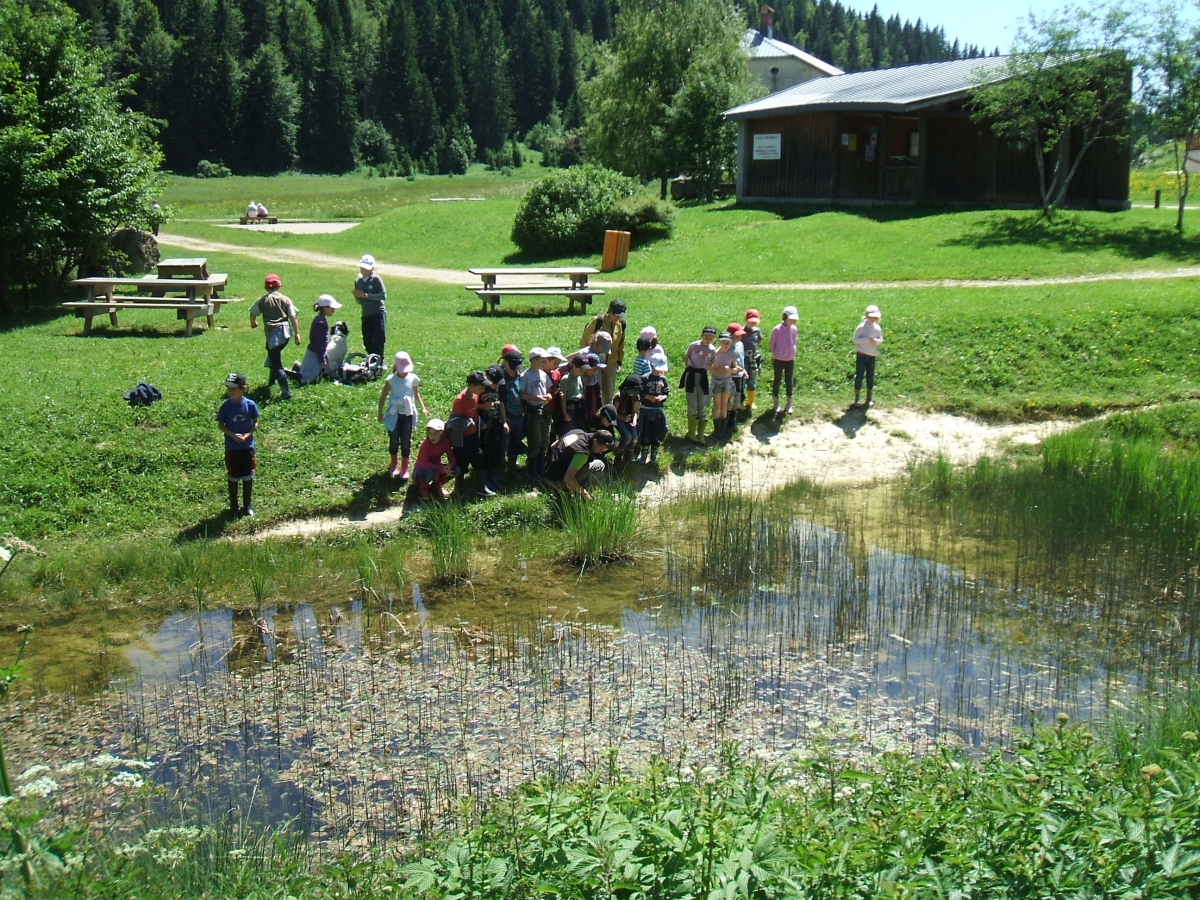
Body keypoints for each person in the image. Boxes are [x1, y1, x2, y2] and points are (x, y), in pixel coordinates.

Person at [248, 273, 300, 400]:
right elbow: (293, 316)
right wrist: (297, 333)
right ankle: (271, 382)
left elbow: (252, 312)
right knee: (272, 355)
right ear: (279, 286)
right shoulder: (286, 299)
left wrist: (253, 323)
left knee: (276, 362)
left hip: (273, 334)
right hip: (286, 334)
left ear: (266, 288)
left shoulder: (264, 300)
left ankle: (285, 391)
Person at [378, 351, 428, 479]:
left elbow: (416, 394)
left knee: (406, 441)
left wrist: (423, 408)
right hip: (394, 414)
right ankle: (394, 463)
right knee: (394, 441)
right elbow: (383, 396)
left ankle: (404, 467)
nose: (405, 372)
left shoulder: (413, 378)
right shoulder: (391, 380)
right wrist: (380, 412)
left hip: (407, 414)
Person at [216, 373, 259, 517]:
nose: (230, 392)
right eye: (228, 389)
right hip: (232, 448)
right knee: (233, 475)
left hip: (247, 447)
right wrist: (232, 435)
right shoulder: (226, 406)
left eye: (232, 389)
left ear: (242, 388)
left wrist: (249, 434)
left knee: (248, 475)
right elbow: (221, 425)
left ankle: (247, 505)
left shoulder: (250, 404)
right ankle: (234, 506)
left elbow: (256, 422)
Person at [543, 429, 616, 500]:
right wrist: (584, 493)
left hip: (546, 474)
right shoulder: (582, 453)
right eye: (600, 449)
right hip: (555, 482)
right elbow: (568, 479)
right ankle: (580, 497)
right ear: (595, 441)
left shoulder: (576, 432)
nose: (600, 453)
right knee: (599, 465)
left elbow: (552, 446)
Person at [448, 370, 487, 496]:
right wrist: (468, 423)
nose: (483, 388)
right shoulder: (460, 400)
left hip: (474, 436)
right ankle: (458, 489)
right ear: (471, 386)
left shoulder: (475, 396)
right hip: (462, 439)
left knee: (479, 459)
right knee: (462, 463)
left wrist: (479, 422)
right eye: (481, 386)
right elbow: (453, 422)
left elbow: (474, 413)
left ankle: (482, 487)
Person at [581, 299, 627, 403]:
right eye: (617, 315)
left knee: (608, 396)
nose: (619, 318)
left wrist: (619, 362)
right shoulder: (597, 321)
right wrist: (586, 363)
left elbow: (621, 345)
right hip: (595, 366)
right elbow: (584, 342)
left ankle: (606, 416)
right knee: (596, 395)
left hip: (611, 366)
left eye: (621, 316)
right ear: (610, 312)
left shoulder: (621, 325)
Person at [682, 325, 717, 442]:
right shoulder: (694, 345)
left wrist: (708, 368)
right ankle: (691, 433)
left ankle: (700, 434)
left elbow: (712, 363)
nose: (708, 339)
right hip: (691, 374)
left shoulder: (712, 350)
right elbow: (686, 357)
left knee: (701, 402)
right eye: (706, 337)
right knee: (692, 402)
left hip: (702, 376)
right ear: (702, 336)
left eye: (711, 338)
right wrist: (689, 368)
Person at [296, 294, 341, 385]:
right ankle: (293, 372)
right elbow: (318, 344)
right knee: (307, 378)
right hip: (314, 354)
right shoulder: (320, 323)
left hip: (316, 352)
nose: (334, 310)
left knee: (310, 375)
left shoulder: (320, 320)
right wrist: (322, 359)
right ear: (325, 308)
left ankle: (296, 370)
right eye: (332, 308)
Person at [497, 347, 526, 477]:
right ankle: (499, 471)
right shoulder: (501, 377)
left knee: (514, 443)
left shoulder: (519, 375)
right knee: (503, 445)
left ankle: (512, 468)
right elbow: (500, 400)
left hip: (518, 415)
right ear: (506, 362)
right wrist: (504, 419)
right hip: (507, 417)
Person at [352, 254, 388, 358]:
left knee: (379, 338)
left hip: (378, 312)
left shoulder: (375, 279)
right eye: (362, 268)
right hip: (366, 314)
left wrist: (367, 296)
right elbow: (359, 301)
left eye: (366, 268)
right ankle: (372, 358)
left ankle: (379, 361)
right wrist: (357, 296)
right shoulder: (358, 281)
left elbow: (383, 295)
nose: (363, 270)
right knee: (367, 340)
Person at [708, 331, 742, 439]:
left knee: (724, 405)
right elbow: (708, 366)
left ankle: (722, 429)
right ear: (719, 343)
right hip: (717, 380)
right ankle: (716, 429)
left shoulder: (731, 354)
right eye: (724, 342)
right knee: (717, 405)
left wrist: (730, 369)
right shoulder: (715, 353)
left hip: (727, 381)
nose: (726, 345)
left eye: (728, 343)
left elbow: (736, 369)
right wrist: (716, 368)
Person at [413, 419, 456, 500]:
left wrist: (450, 466)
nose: (432, 436)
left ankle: (436, 486)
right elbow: (424, 463)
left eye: (435, 433)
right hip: (421, 469)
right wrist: (440, 468)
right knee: (427, 473)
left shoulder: (445, 442)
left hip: (436, 466)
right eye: (430, 433)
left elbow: (451, 457)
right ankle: (423, 488)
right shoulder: (425, 445)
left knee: (456, 469)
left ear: (441, 433)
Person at [770, 305, 799, 415]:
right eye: (790, 318)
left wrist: (793, 352)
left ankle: (789, 403)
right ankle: (776, 403)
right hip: (779, 359)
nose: (792, 320)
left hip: (790, 359)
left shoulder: (794, 329)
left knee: (789, 380)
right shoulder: (777, 329)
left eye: (794, 319)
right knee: (777, 380)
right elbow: (772, 344)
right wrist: (776, 354)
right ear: (785, 316)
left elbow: (794, 342)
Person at [476, 390, 506, 495]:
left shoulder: (498, 389)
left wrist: (504, 421)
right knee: (486, 452)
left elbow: (501, 403)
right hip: (484, 426)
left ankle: (492, 476)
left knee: (496, 451)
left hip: (496, 424)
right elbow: (474, 406)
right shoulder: (481, 390)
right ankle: (486, 478)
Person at [853, 304, 883, 408]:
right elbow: (855, 339)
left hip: (872, 355)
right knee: (859, 376)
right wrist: (867, 339)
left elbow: (880, 339)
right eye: (871, 316)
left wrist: (876, 341)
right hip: (861, 354)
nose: (872, 319)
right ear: (866, 315)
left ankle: (869, 398)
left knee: (870, 377)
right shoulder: (862, 326)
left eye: (875, 317)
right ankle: (857, 399)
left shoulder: (877, 328)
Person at [638, 360, 669, 463]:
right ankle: (643, 454)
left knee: (657, 432)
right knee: (645, 433)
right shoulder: (645, 378)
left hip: (658, 410)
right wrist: (648, 397)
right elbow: (640, 393)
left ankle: (654, 454)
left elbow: (666, 393)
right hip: (646, 410)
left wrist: (662, 397)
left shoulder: (663, 379)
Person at [559, 354, 589, 433]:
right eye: (581, 369)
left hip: (579, 406)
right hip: (570, 407)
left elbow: (582, 390)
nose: (583, 371)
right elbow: (563, 398)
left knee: (579, 429)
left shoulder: (580, 377)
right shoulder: (566, 379)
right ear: (574, 366)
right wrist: (565, 413)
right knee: (570, 430)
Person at [726, 322, 747, 429]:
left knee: (738, 398)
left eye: (740, 335)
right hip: (730, 376)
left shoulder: (740, 345)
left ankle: (733, 420)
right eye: (737, 335)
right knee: (730, 399)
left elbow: (741, 359)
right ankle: (726, 421)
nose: (739, 337)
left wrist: (744, 371)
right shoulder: (726, 346)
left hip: (739, 376)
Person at [742, 309, 763, 410]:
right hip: (743, 359)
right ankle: (740, 401)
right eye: (751, 321)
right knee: (742, 380)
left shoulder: (757, 331)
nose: (753, 323)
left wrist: (754, 350)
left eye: (755, 321)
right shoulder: (742, 331)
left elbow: (759, 340)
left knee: (752, 380)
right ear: (746, 319)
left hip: (753, 359)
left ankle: (750, 402)